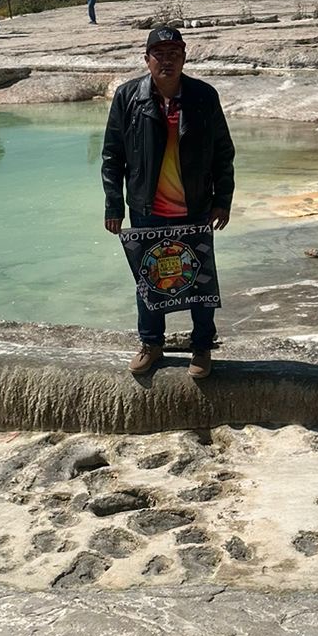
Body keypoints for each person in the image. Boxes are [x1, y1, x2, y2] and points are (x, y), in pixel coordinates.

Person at [102, 26, 234, 380]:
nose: (167, 60)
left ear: (184, 57)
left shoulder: (204, 96)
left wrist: (223, 199)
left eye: (174, 53)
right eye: (159, 53)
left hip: (195, 207)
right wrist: (114, 205)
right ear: (146, 60)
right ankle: (151, 344)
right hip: (147, 210)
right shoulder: (128, 97)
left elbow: (223, 152)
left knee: (200, 281)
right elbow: (112, 156)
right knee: (150, 280)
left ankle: (202, 346)